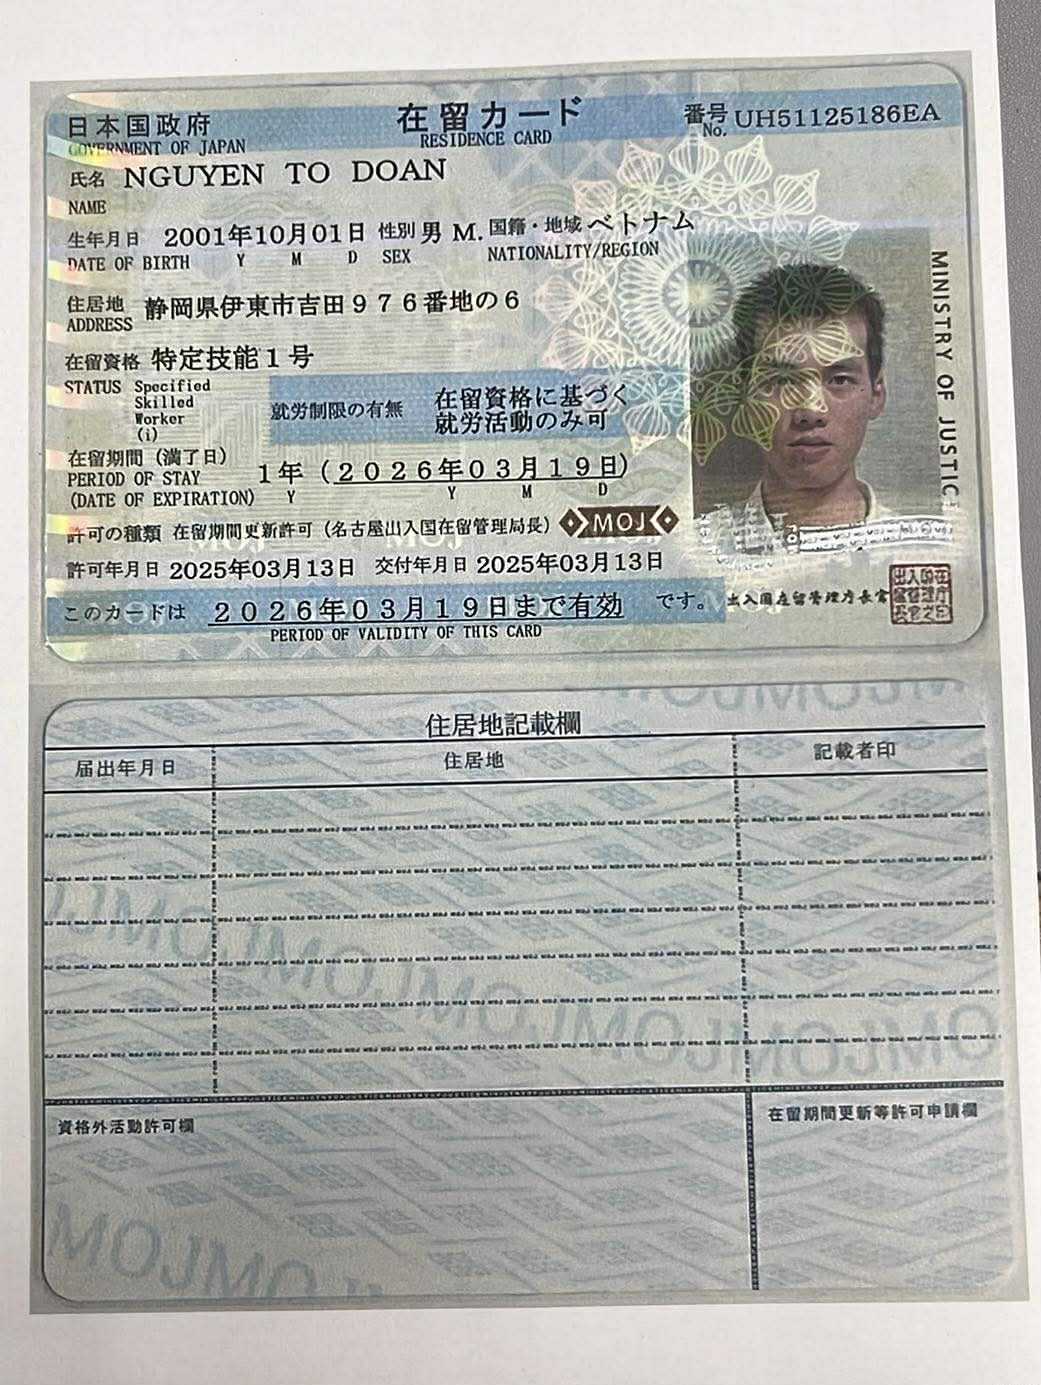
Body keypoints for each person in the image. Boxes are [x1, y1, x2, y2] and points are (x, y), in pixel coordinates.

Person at [702, 262, 891, 558]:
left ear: (877, 395)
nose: (811, 411)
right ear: (743, 394)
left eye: (839, 380)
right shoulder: (692, 553)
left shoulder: (925, 552)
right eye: (781, 381)